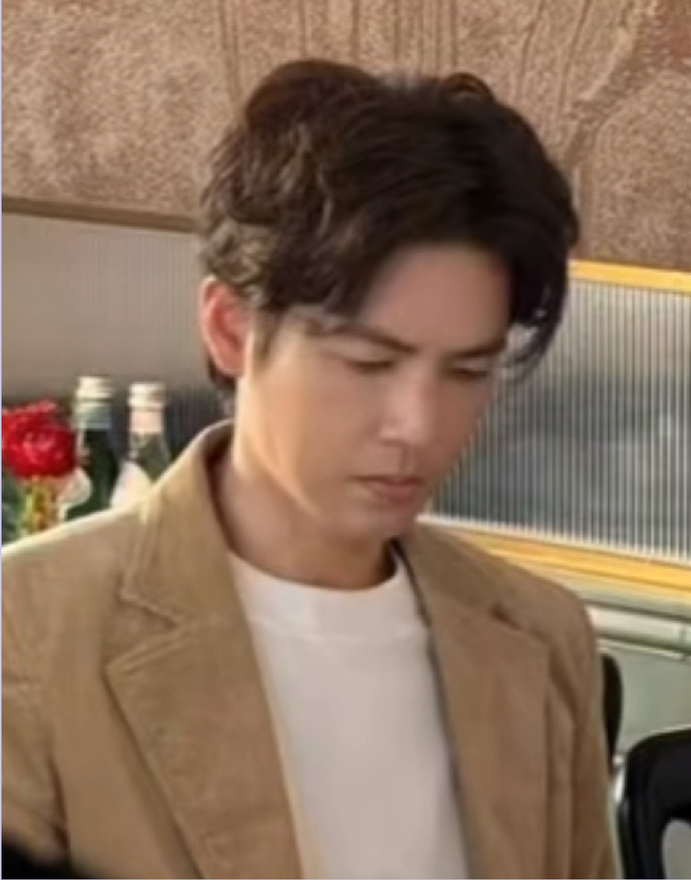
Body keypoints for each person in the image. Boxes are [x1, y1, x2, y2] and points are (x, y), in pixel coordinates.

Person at [2, 60, 617, 879]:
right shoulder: (30, 634)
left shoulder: (539, 635)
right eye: (369, 363)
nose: (418, 425)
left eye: (466, 371)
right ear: (230, 328)